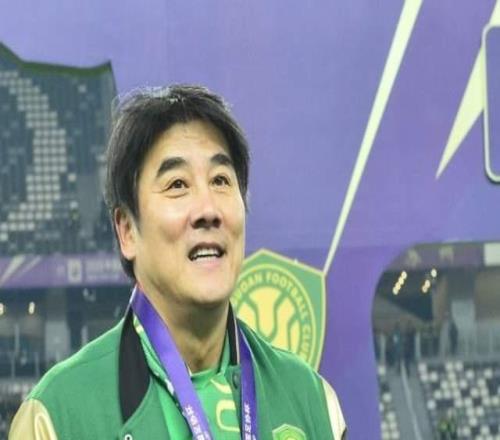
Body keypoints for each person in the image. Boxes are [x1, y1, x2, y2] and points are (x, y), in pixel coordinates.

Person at [9, 85, 346, 439]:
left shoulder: (312, 402)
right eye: (177, 185)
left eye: (220, 180)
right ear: (127, 231)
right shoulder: (58, 417)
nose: (208, 210)